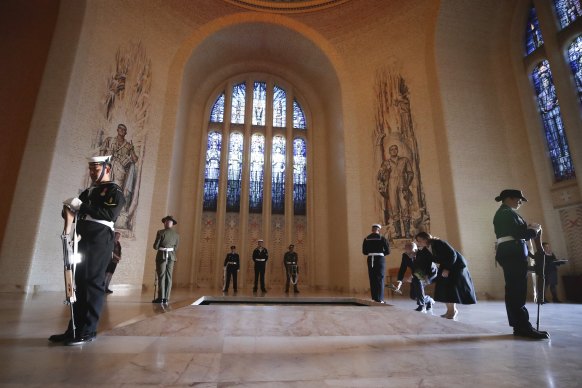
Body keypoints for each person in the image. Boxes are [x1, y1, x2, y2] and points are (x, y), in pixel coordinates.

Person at [49, 155, 125, 345]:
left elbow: (109, 214)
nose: (92, 173)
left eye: (96, 169)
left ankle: (88, 330)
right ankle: (74, 329)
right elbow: (75, 210)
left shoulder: (114, 191)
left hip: (99, 238)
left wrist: (81, 206)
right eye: (90, 169)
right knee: (79, 283)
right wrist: (68, 208)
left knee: (92, 283)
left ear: (107, 169)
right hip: (82, 239)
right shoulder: (89, 191)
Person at [493, 189, 550, 339]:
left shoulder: (507, 212)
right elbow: (518, 234)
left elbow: (517, 232)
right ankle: (523, 327)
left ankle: (519, 326)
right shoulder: (505, 213)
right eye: (518, 199)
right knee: (516, 291)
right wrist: (534, 230)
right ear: (508, 198)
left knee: (515, 291)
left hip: (512, 254)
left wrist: (529, 230)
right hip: (512, 255)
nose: (520, 202)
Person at [414, 232, 477, 320]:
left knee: (450, 288)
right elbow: (423, 264)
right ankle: (449, 311)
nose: (418, 243)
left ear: (425, 239)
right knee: (443, 288)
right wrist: (421, 276)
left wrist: (447, 268)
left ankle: (453, 311)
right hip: (445, 266)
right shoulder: (425, 250)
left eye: (419, 241)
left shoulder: (439, 243)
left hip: (455, 265)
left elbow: (452, 254)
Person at [100, 123, 139, 214]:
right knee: (104, 187)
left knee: (116, 189)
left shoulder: (128, 145)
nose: (122, 130)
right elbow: (102, 152)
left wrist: (132, 149)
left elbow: (135, 159)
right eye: (120, 129)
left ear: (126, 133)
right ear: (117, 130)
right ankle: (101, 206)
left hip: (120, 170)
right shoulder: (109, 140)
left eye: (124, 130)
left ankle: (112, 210)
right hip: (108, 166)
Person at [377, 144, 414, 238]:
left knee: (405, 208)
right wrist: (386, 171)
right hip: (391, 186)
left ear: (397, 150)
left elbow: (410, 173)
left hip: (402, 185)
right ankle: (398, 233)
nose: (394, 151)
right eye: (392, 149)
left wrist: (407, 185)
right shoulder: (386, 163)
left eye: (395, 149)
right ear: (389, 152)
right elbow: (380, 176)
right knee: (394, 209)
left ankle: (407, 232)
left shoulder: (404, 160)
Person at [394, 241, 436, 312]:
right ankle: (429, 300)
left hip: (429, 273)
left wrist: (423, 276)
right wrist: (399, 281)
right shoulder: (405, 256)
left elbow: (429, 265)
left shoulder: (423, 254)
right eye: (407, 252)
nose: (409, 255)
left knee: (417, 281)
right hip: (417, 273)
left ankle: (422, 305)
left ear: (416, 250)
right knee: (413, 296)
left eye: (411, 252)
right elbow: (402, 269)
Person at [153, 215, 180, 304]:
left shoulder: (160, 232)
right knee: (169, 276)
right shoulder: (176, 235)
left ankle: (161, 297)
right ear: (172, 224)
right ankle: (166, 298)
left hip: (162, 256)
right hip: (171, 256)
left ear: (165, 223)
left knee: (161, 276)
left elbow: (155, 246)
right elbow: (176, 248)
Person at [362, 224, 390, 303]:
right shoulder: (382, 238)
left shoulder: (366, 239)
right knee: (380, 278)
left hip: (370, 258)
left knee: (372, 278)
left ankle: (374, 298)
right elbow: (388, 251)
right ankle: (380, 299)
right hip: (380, 259)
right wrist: (381, 253)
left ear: (372, 230)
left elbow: (364, 252)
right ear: (379, 230)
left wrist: (371, 253)